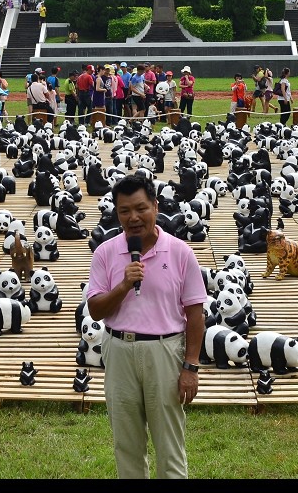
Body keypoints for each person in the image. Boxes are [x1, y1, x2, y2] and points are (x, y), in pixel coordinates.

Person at [86, 175, 206, 479]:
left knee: (169, 445)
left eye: (141, 208)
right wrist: (125, 284)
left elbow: (195, 314)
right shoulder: (105, 253)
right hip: (118, 350)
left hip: (164, 352)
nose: (133, 217)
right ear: (117, 213)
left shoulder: (180, 252)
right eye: (124, 211)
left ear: (155, 205)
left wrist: (190, 367)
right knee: (126, 444)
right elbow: (96, 310)